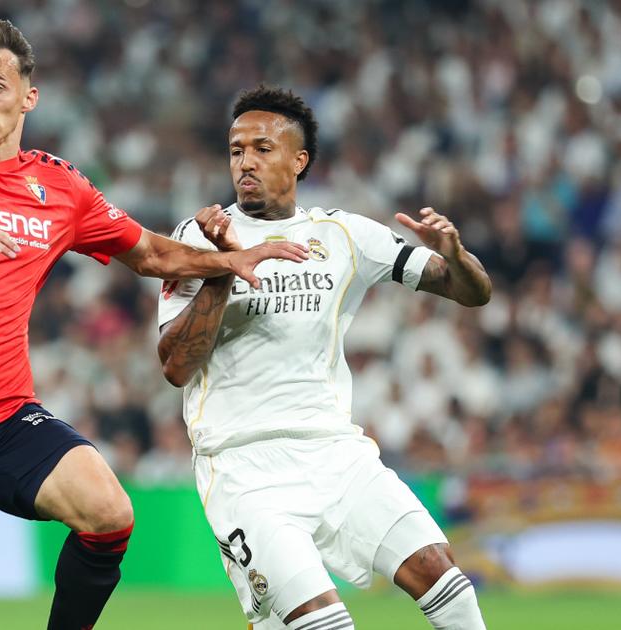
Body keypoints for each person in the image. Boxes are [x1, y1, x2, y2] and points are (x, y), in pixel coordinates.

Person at [0, 19, 308, 630]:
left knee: (109, 513)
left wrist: (228, 261)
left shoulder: (60, 186)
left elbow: (150, 253)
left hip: (5, 417)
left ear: (28, 97)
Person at [157, 86, 492, 630]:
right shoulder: (198, 238)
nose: (245, 162)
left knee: (446, 580)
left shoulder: (343, 235)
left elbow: (471, 292)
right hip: (243, 466)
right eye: (237, 150)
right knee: (325, 622)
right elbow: (175, 367)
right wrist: (224, 267)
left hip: (336, 453)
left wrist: (455, 254)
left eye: (263, 148)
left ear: (299, 160)